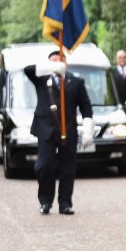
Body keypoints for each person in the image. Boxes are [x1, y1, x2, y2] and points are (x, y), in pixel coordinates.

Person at [24, 50, 93, 215]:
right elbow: (27, 69)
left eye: (60, 60)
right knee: (44, 166)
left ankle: (65, 203)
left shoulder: (75, 82)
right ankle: (45, 201)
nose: (57, 62)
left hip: (68, 129)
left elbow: (85, 106)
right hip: (46, 129)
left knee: (67, 168)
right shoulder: (41, 79)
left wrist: (88, 128)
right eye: (53, 60)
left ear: (66, 63)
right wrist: (50, 67)